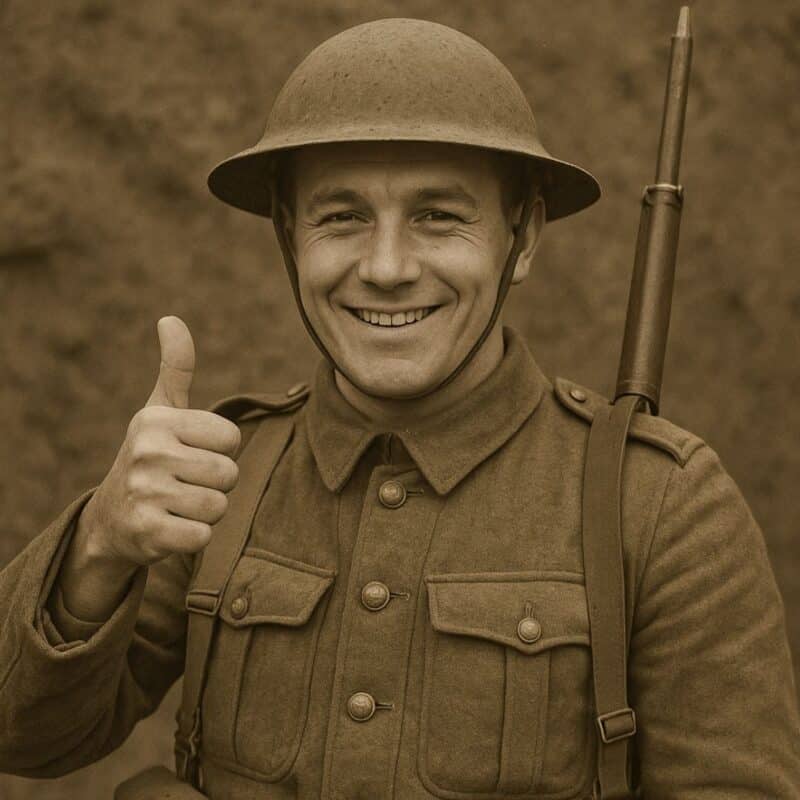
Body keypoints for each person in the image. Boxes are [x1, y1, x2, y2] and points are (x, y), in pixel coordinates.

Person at [1, 17, 798, 800]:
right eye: (342, 217)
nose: (385, 267)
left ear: (522, 237)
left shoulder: (663, 506)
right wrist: (99, 545)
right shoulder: (222, 477)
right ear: (288, 236)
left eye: (437, 216)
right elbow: (26, 736)